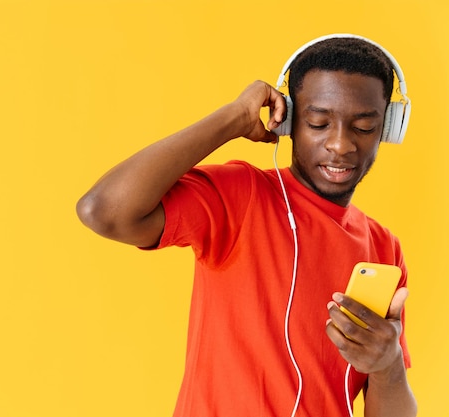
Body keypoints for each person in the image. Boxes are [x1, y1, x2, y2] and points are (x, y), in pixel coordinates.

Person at [76, 35, 417, 417]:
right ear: (287, 121)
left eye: (365, 127)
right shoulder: (240, 197)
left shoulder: (384, 249)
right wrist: (234, 117)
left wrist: (387, 368)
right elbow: (102, 211)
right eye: (319, 122)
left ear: (389, 127)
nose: (340, 144)